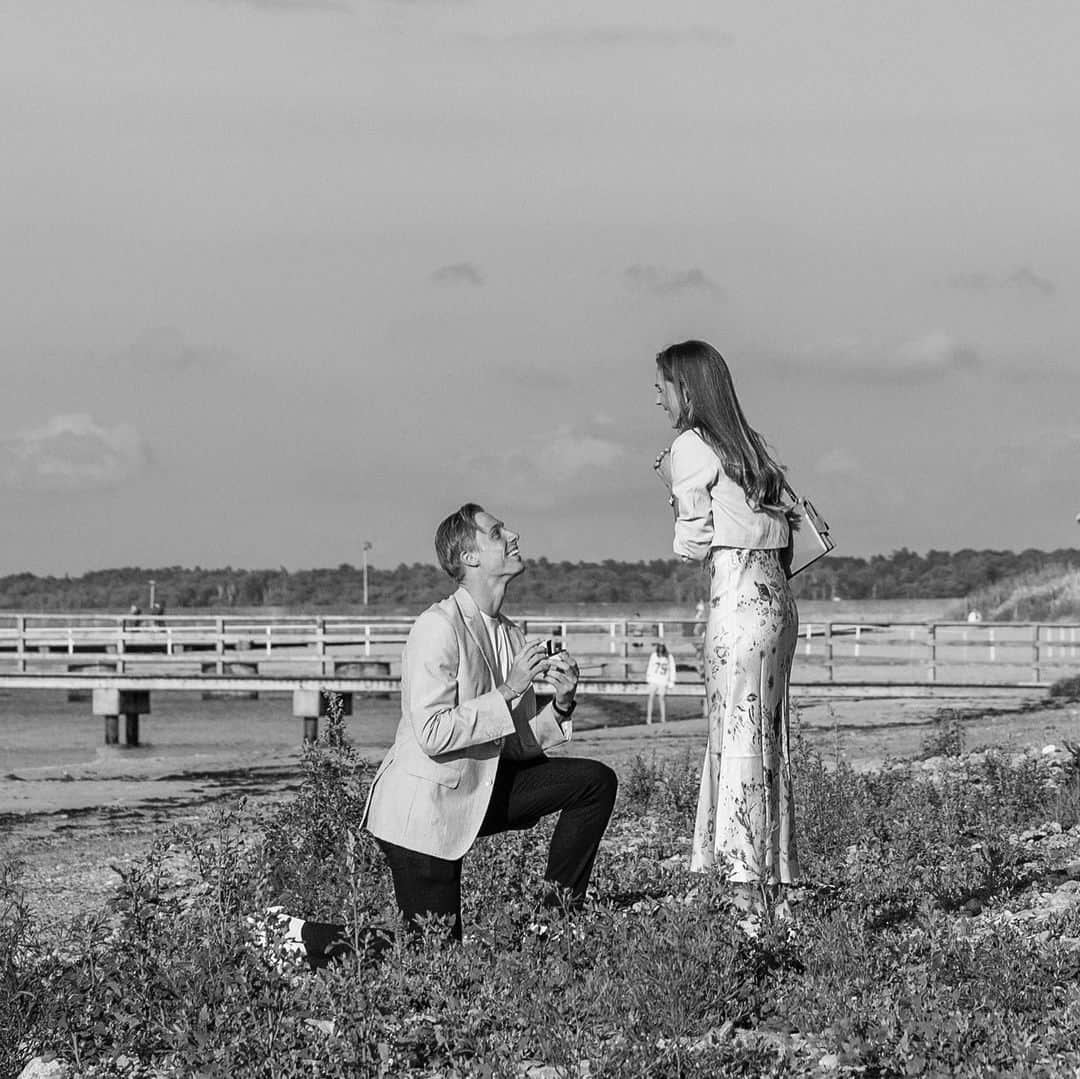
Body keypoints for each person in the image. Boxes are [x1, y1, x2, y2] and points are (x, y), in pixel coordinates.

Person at [361, 503, 618, 941]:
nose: (514, 535)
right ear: (470, 557)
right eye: (498, 532)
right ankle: (290, 937)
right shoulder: (436, 627)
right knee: (429, 957)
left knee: (594, 782)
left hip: (480, 789)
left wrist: (561, 704)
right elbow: (433, 733)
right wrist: (509, 689)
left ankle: (554, 923)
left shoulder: (512, 635)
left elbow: (514, 746)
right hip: (425, 810)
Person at [652, 340, 800, 924]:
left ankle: (740, 890)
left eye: (662, 386)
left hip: (736, 596)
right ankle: (770, 882)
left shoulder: (690, 446)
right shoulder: (747, 446)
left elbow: (691, 542)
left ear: (687, 389)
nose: (657, 397)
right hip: (777, 604)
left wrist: (670, 482)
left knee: (734, 736)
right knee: (766, 737)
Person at [644, 642, 676, 725]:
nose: (660, 648)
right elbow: (650, 666)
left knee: (661, 698)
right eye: (659, 647)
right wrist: (648, 678)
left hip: (663, 680)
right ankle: (649, 719)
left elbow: (672, 669)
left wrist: (671, 681)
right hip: (653, 679)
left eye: (662, 647)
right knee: (650, 698)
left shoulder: (669, 657)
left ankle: (663, 719)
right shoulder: (654, 656)